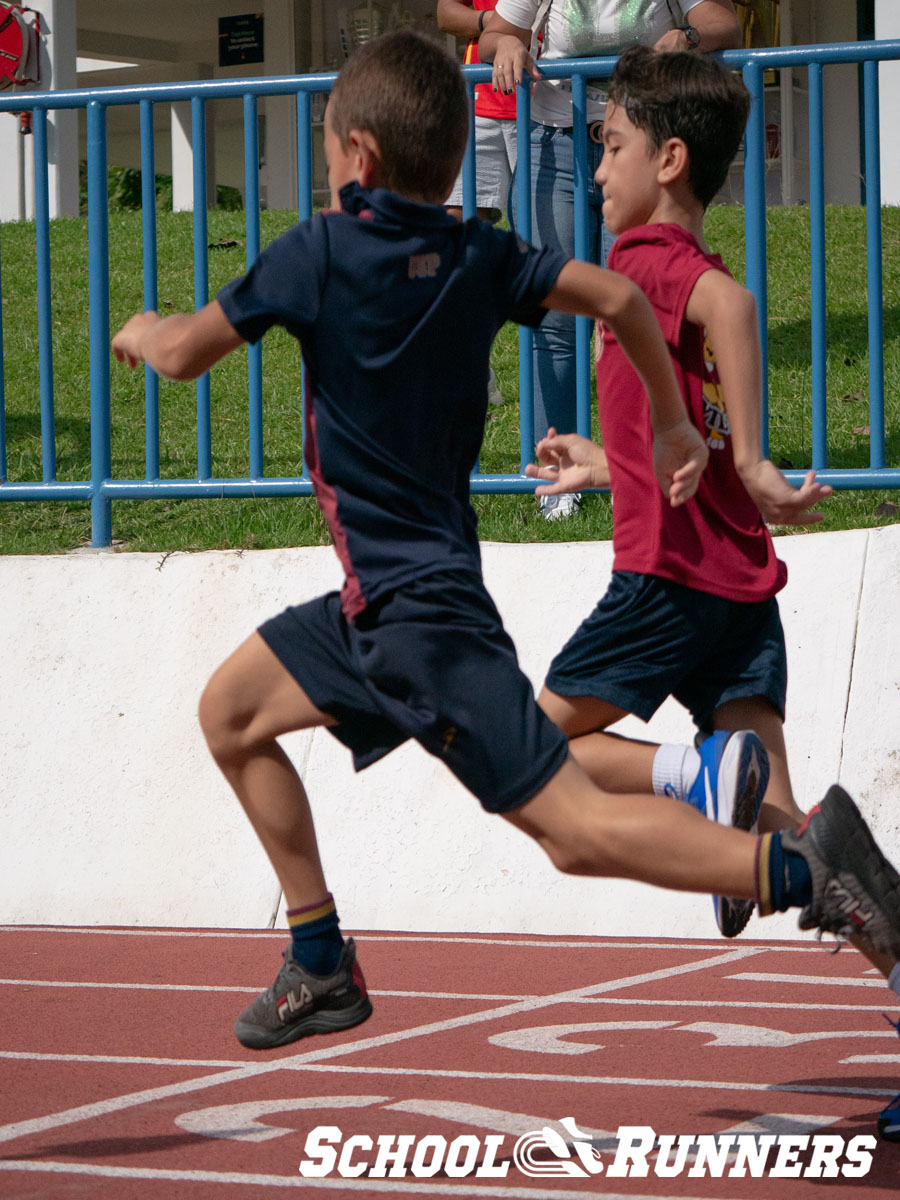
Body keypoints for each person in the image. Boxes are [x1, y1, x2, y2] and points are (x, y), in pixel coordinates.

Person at [111, 31, 900, 1058]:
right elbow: (614, 298)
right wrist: (668, 423)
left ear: (358, 156)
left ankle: (797, 872)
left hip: (423, 622)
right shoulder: (481, 255)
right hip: (373, 611)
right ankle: (318, 958)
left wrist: (136, 325)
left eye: (323, 145)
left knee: (571, 830)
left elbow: (177, 356)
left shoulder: (317, 253)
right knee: (230, 712)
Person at [524, 48, 900, 1128]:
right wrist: (606, 464)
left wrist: (752, 464)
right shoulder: (658, 265)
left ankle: (695, 768)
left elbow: (730, 311)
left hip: (667, 584)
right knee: (794, 843)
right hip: (739, 595)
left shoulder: (644, 261)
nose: (597, 174)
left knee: (533, 745)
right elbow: (678, 412)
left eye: (611, 149)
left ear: (669, 160)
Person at [480, 0, 742, 519]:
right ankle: (559, 481)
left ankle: (653, 469)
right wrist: (508, 42)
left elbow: (724, 23)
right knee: (554, 314)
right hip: (555, 146)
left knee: (639, 313)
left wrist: (686, 37)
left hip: (645, 147)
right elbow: (493, 33)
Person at [438, 0, 519, 408]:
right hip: (480, 102)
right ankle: (471, 376)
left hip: (550, 104)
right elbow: (445, 13)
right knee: (457, 246)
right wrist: (493, 24)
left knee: (543, 246)